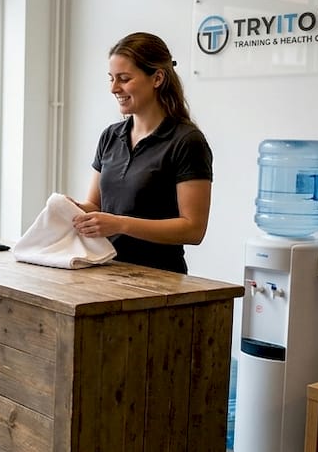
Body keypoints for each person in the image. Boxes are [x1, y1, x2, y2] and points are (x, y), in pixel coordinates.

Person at [69, 32, 212, 274]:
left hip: (160, 282)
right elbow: (95, 205)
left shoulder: (187, 142)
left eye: (124, 79)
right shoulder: (110, 136)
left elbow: (193, 229)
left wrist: (120, 224)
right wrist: (69, 209)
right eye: (111, 79)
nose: (114, 88)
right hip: (105, 271)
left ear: (157, 78)